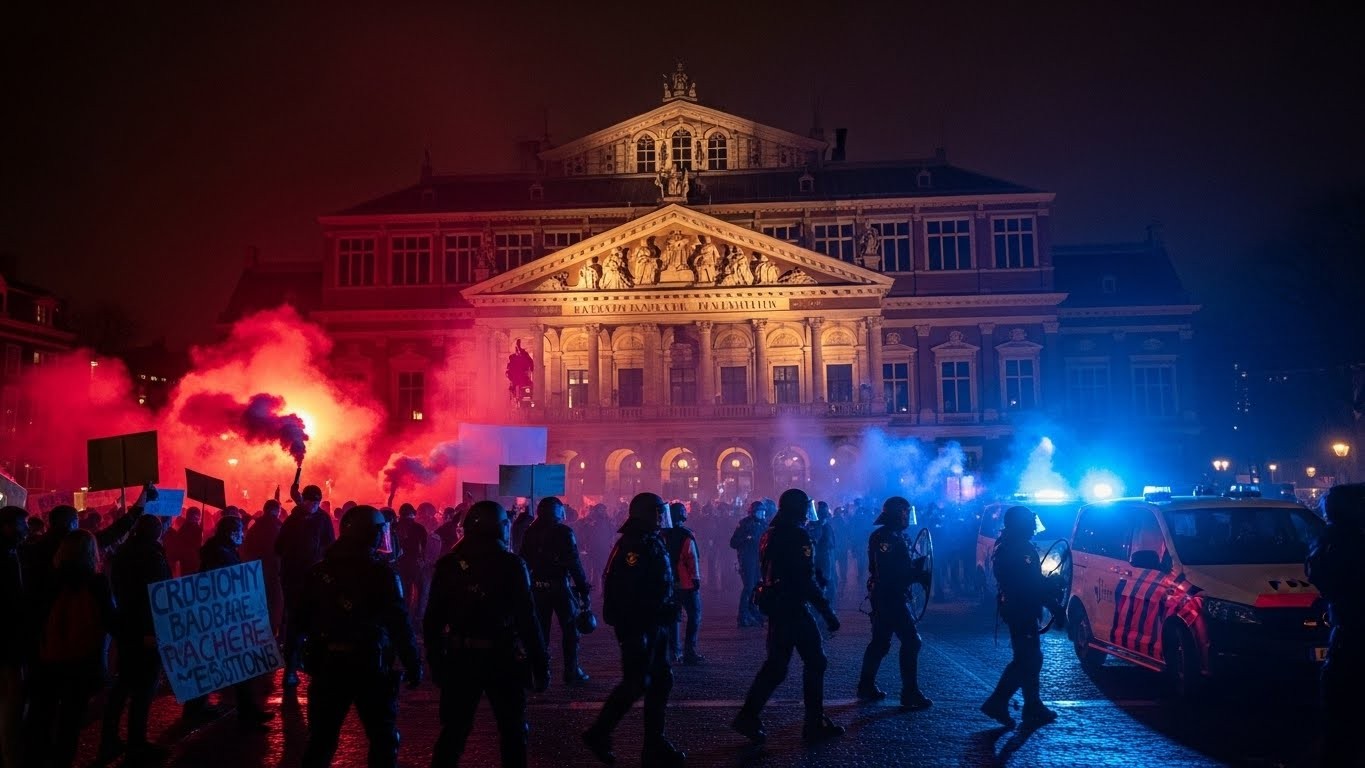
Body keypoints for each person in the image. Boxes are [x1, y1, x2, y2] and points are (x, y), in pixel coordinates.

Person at [425, 501, 549, 768]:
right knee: (513, 732)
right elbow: (528, 620)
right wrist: (540, 664)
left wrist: (436, 662)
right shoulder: (511, 565)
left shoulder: (448, 564)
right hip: (502, 657)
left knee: (453, 733)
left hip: (460, 658)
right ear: (498, 527)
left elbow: (432, 621)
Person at [297, 505, 421, 768]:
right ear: (370, 534)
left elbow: (300, 619)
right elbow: (399, 622)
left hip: (328, 666)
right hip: (370, 666)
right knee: (383, 740)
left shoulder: (318, 572)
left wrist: (295, 657)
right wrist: (412, 662)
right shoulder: (382, 574)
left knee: (321, 741)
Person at [732, 488, 844, 745]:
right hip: (793, 606)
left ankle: (748, 716)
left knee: (776, 667)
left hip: (777, 606)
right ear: (797, 509)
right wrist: (827, 611)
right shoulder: (796, 535)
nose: (807, 512)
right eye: (804, 507)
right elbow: (803, 579)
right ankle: (813, 723)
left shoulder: (771, 532)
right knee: (815, 661)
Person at [582, 493, 685, 766]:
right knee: (637, 682)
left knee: (660, 681)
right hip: (639, 626)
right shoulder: (634, 545)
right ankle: (599, 732)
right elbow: (628, 592)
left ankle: (654, 745)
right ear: (647, 514)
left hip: (653, 624)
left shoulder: (648, 539)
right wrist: (657, 610)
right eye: (658, 512)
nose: (662, 517)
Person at [25, 529, 116, 768]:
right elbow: (111, 619)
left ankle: (37, 758)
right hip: (81, 662)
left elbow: (33, 618)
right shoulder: (96, 582)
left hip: (47, 659)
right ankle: (62, 761)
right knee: (71, 719)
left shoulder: (46, 579)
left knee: (42, 714)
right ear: (91, 552)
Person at [185, 517, 273, 728]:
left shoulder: (219, 550)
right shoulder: (222, 554)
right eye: (240, 531)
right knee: (240, 663)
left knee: (222, 663)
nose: (243, 535)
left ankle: (198, 708)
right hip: (225, 617)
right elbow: (227, 583)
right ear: (232, 533)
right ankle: (246, 712)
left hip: (221, 616)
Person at [99, 513, 172, 765]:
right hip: (145, 628)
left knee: (123, 684)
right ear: (155, 532)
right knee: (144, 688)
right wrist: (152, 631)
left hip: (127, 625)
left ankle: (109, 739)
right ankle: (136, 744)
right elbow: (156, 596)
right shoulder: (151, 556)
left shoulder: (124, 552)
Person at [981, 505, 1063, 728]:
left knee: (1031, 657)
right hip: (1021, 609)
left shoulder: (1010, 545)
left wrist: (1047, 586)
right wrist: (1053, 598)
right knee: (1027, 659)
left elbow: (1030, 581)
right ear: (1020, 524)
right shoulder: (1020, 549)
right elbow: (1029, 585)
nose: (1033, 527)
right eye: (1029, 522)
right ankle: (998, 702)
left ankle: (1032, 705)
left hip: (1018, 608)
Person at [1305, 482, 1365, 767]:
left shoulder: (1329, 542)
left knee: (1341, 718)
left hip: (1347, 636)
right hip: (1353, 636)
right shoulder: (1345, 544)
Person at [856, 496, 932, 710]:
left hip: (891, 595)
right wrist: (915, 574)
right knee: (912, 641)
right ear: (897, 514)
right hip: (889, 596)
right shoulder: (885, 538)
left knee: (880, 642)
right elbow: (888, 572)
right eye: (905, 512)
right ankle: (910, 693)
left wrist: (916, 568)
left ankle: (866, 685)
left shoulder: (898, 536)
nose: (907, 517)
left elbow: (901, 565)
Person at [519, 496, 592, 686]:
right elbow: (574, 562)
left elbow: (523, 561)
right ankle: (571, 670)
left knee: (540, 632)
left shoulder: (530, 532)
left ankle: (540, 672)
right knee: (570, 629)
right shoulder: (564, 532)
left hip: (537, 588)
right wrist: (583, 588)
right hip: (560, 587)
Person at [276, 485, 336, 688]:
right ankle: (291, 668)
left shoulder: (323, 519)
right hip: (294, 579)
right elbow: (279, 546)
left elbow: (330, 545)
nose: (314, 506)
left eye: (317, 502)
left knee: (316, 623)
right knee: (295, 623)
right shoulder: (293, 520)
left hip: (316, 579)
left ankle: (312, 664)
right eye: (311, 502)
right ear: (304, 501)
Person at [0, 506, 29, 768]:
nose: (26, 529)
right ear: (7, 526)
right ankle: (11, 756)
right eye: (22, 524)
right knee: (12, 698)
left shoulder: (14, 552)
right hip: (8, 641)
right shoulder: (6, 556)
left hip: (12, 639)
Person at [661, 501, 704, 665]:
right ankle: (689, 652)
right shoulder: (686, 535)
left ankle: (674, 652)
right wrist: (696, 578)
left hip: (669, 583)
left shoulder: (662, 535)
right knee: (694, 615)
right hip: (686, 583)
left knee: (673, 617)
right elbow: (692, 558)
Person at [243, 499, 285, 633]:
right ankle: (272, 631)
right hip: (275, 572)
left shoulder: (254, 528)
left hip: (256, 571)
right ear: (276, 511)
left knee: (260, 602)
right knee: (275, 602)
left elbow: (245, 549)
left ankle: (259, 631)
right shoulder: (279, 527)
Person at [730, 501, 767, 628]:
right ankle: (742, 616)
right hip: (747, 560)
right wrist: (746, 538)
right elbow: (733, 543)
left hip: (758, 560)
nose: (762, 514)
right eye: (760, 511)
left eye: (763, 511)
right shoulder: (744, 524)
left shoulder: (763, 524)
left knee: (756, 586)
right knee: (749, 587)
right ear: (753, 512)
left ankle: (753, 612)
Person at [393, 504, 429, 618]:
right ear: (412, 513)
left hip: (399, 565)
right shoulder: (419, 528)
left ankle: (404, 617)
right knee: (421, 591)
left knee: (404, 593)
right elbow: (425, 547)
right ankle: (418, 617)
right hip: (415, 564)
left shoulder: (394, 527)